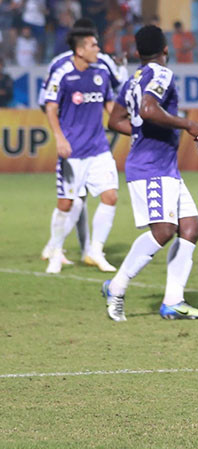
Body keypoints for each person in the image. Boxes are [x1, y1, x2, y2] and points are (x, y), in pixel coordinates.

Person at [103, 24, 198, 322]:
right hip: (151, 167)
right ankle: (116, 287)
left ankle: (173, 301)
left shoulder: (133, 79)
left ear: (138, 53)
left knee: (190, 229)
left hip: (163, 166)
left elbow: (115, 121)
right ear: (166, 49)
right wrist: (188, 124)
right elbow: (148, 110)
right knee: (163, 231)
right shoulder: (162, 73)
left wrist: (140, 132)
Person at [40, 17, 128, 269]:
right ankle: (55, 250)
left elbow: (109, 104)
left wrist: (127, 123)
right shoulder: (63, 73)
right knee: (67, 204)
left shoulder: (101, 71)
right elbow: (50, 107)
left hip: (99, 148)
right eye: (93, 45)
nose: (98, 49)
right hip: (73, 152)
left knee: (110, 196)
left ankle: (95, 250)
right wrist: (60, 138)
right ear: (80, 50)